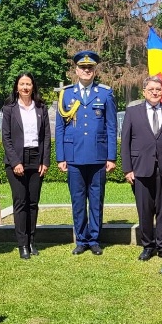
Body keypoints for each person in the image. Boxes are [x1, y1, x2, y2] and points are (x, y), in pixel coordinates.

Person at [56, 51, 118, 256]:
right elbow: (60, 127)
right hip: (73, 155)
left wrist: (111, 157)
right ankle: (81, 239)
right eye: (83, 68)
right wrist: (61, 156)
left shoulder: (105, 93)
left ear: (94, 70)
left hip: (98, 156)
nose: (86, 71)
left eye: (90, 68)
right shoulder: (66, 94)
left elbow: (111, 126)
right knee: (77, 199)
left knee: (96, 198)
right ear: (76, 70)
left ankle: (94, 239)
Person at [122, 76, 162, 263]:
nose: (155, 92)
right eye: (151, 89)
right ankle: (148, 246)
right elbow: (125, 142)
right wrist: (128, 169)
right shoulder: (133, 112)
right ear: (144, 92)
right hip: (141, 169)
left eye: (158, 89)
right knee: (145, 210)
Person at [1, 73, 50, 260]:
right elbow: (6, 138)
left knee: (33, 203)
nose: (25, 87)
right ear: (17, 87)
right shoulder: (9, 109)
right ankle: (22, 245)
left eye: (28, 84)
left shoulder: (41, 108)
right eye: (22, 84)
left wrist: (45, 161)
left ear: (33, 87)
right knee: (20, 202)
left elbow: (45, 137)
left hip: (36, 158)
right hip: (17, 159)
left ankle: (31, 241)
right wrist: (15, 162)